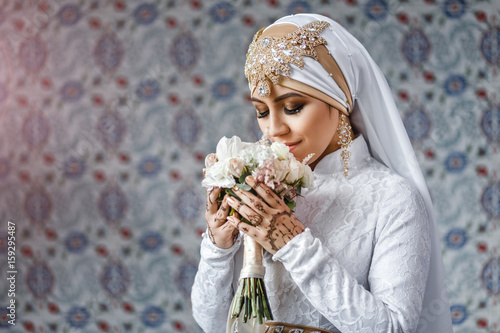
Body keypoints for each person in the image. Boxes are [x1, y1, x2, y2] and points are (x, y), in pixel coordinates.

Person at [191, 13, 453, 333]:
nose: (274, 129)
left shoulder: (392, 197)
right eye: (261, 111)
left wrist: (293, 244)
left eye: (293, 107)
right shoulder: (259, 184)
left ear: (339, 100)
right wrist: (218, 247)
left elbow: (394, 329)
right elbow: (214, 325)